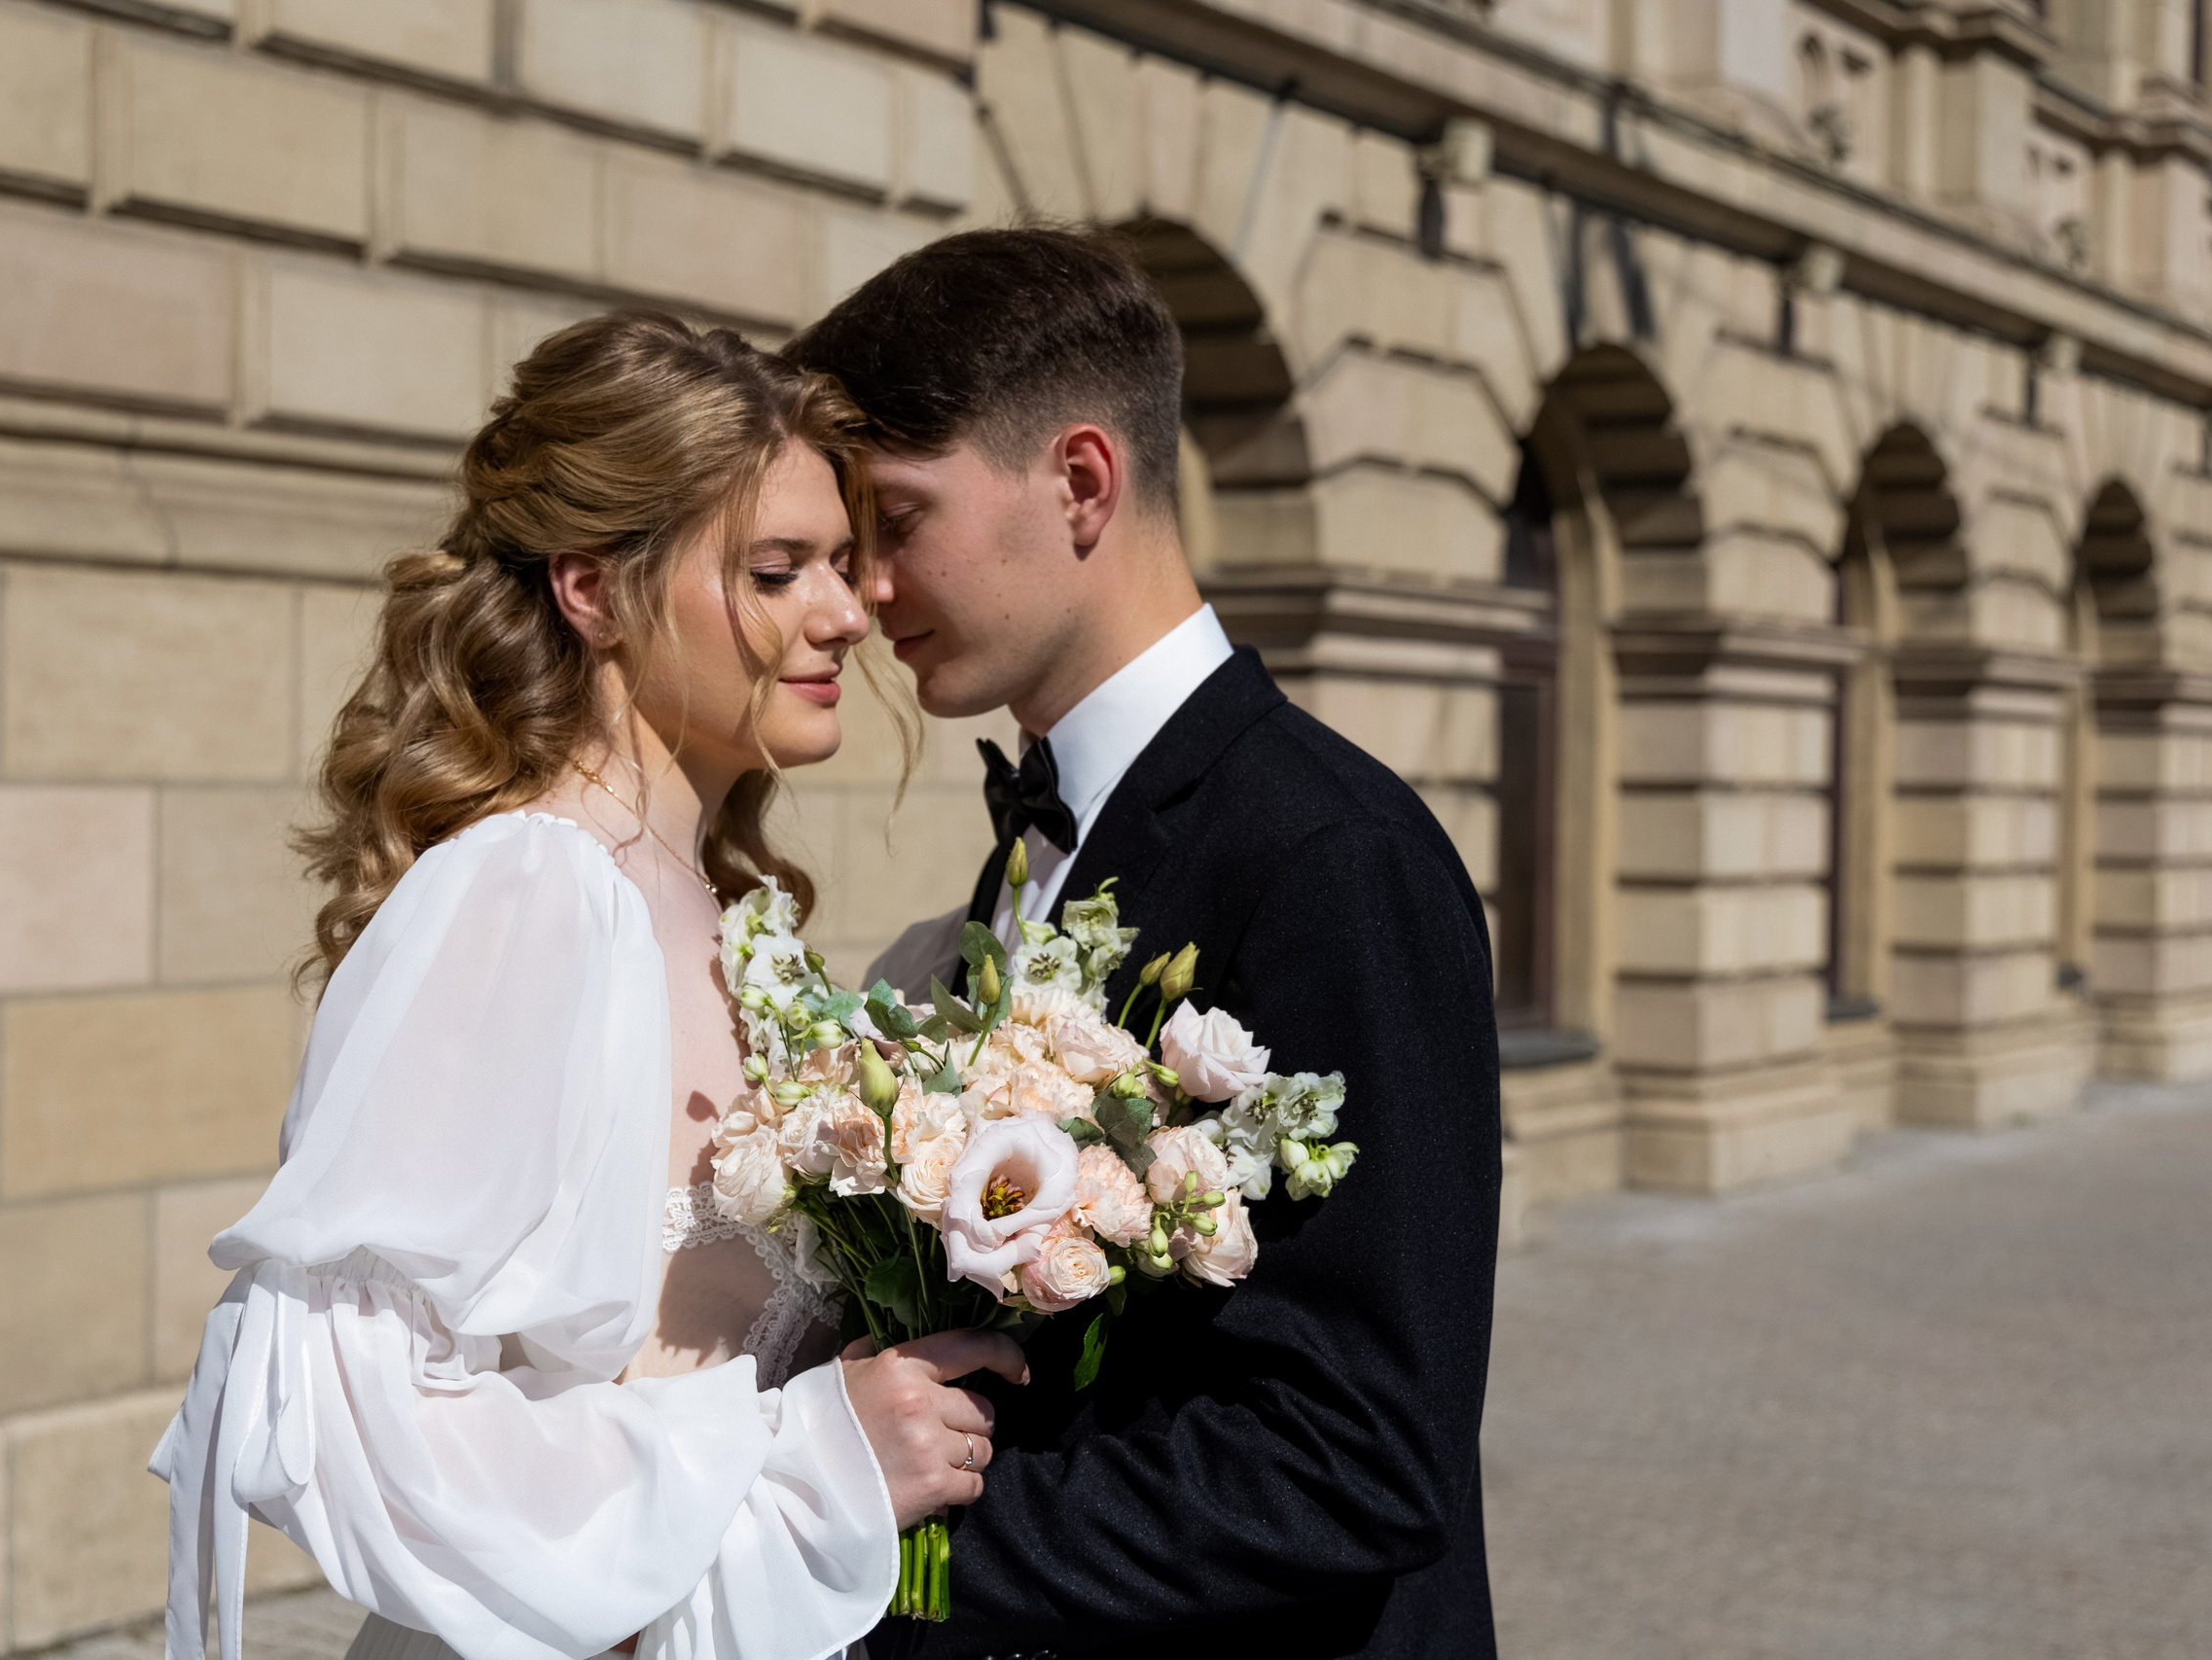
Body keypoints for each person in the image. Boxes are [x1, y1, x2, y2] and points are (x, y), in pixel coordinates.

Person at [149, 313, 1023, 1660]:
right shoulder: (526, 894)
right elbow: (352, 1413)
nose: (847, 615)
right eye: (779, 570)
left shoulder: (734, 915)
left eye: (842, 566)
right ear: (592, 589)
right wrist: (807, 1447)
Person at [789, 228, 1503, 1659]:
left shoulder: (1333, 858)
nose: (861, 590)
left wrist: (876, 1541)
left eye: (899, 518)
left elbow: (1355, 1458)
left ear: (1080, 482)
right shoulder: (1039, 836)